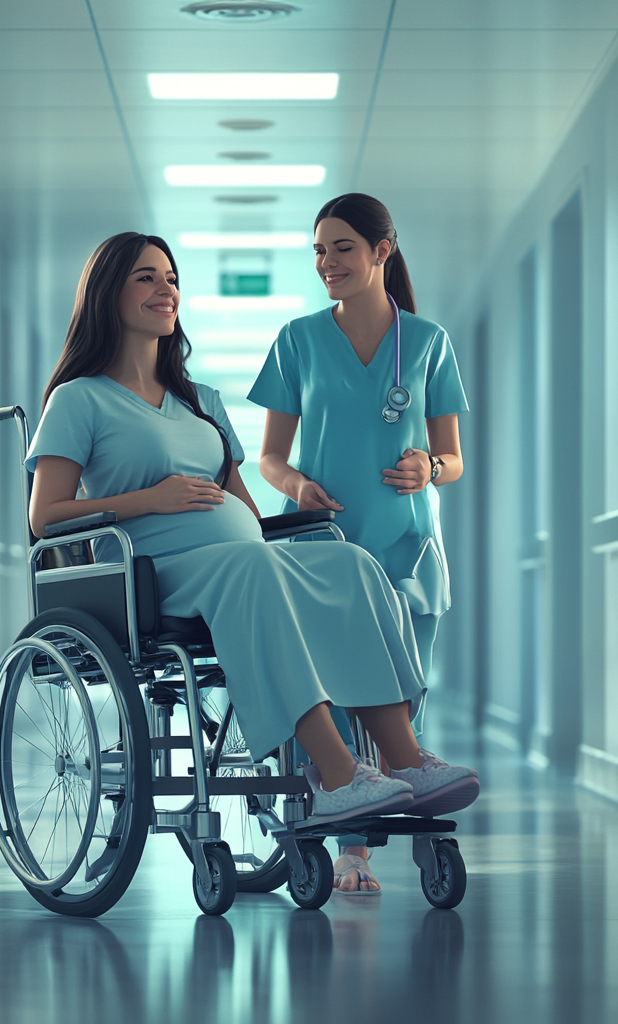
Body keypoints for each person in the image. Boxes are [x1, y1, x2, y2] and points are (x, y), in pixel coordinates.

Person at [26, 230, 464, 826]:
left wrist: (273, 537)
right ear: (108, 294)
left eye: (172, 278)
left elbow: (241, 503)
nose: (166, 289)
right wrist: (151, 499)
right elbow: (44, 517)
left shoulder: (200, 399)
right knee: (252, 567)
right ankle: (334, 776)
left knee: (350, 564)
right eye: (146, 278)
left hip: (239, 555)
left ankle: (404, 759)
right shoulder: (80, 400)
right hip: (155, 573)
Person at [248, 193, 479, 893]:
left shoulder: (430, 342)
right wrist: (296, 484)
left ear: (382, 250)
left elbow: (454, 458)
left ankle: (408, 794)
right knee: (340, 696)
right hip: (323, 543)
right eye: (319, 250)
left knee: (402, 693)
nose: (327, 263)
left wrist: (428, 469)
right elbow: (268, 458)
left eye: (342, 247)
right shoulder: (297, 340)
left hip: (406, 544)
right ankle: (354, 848)